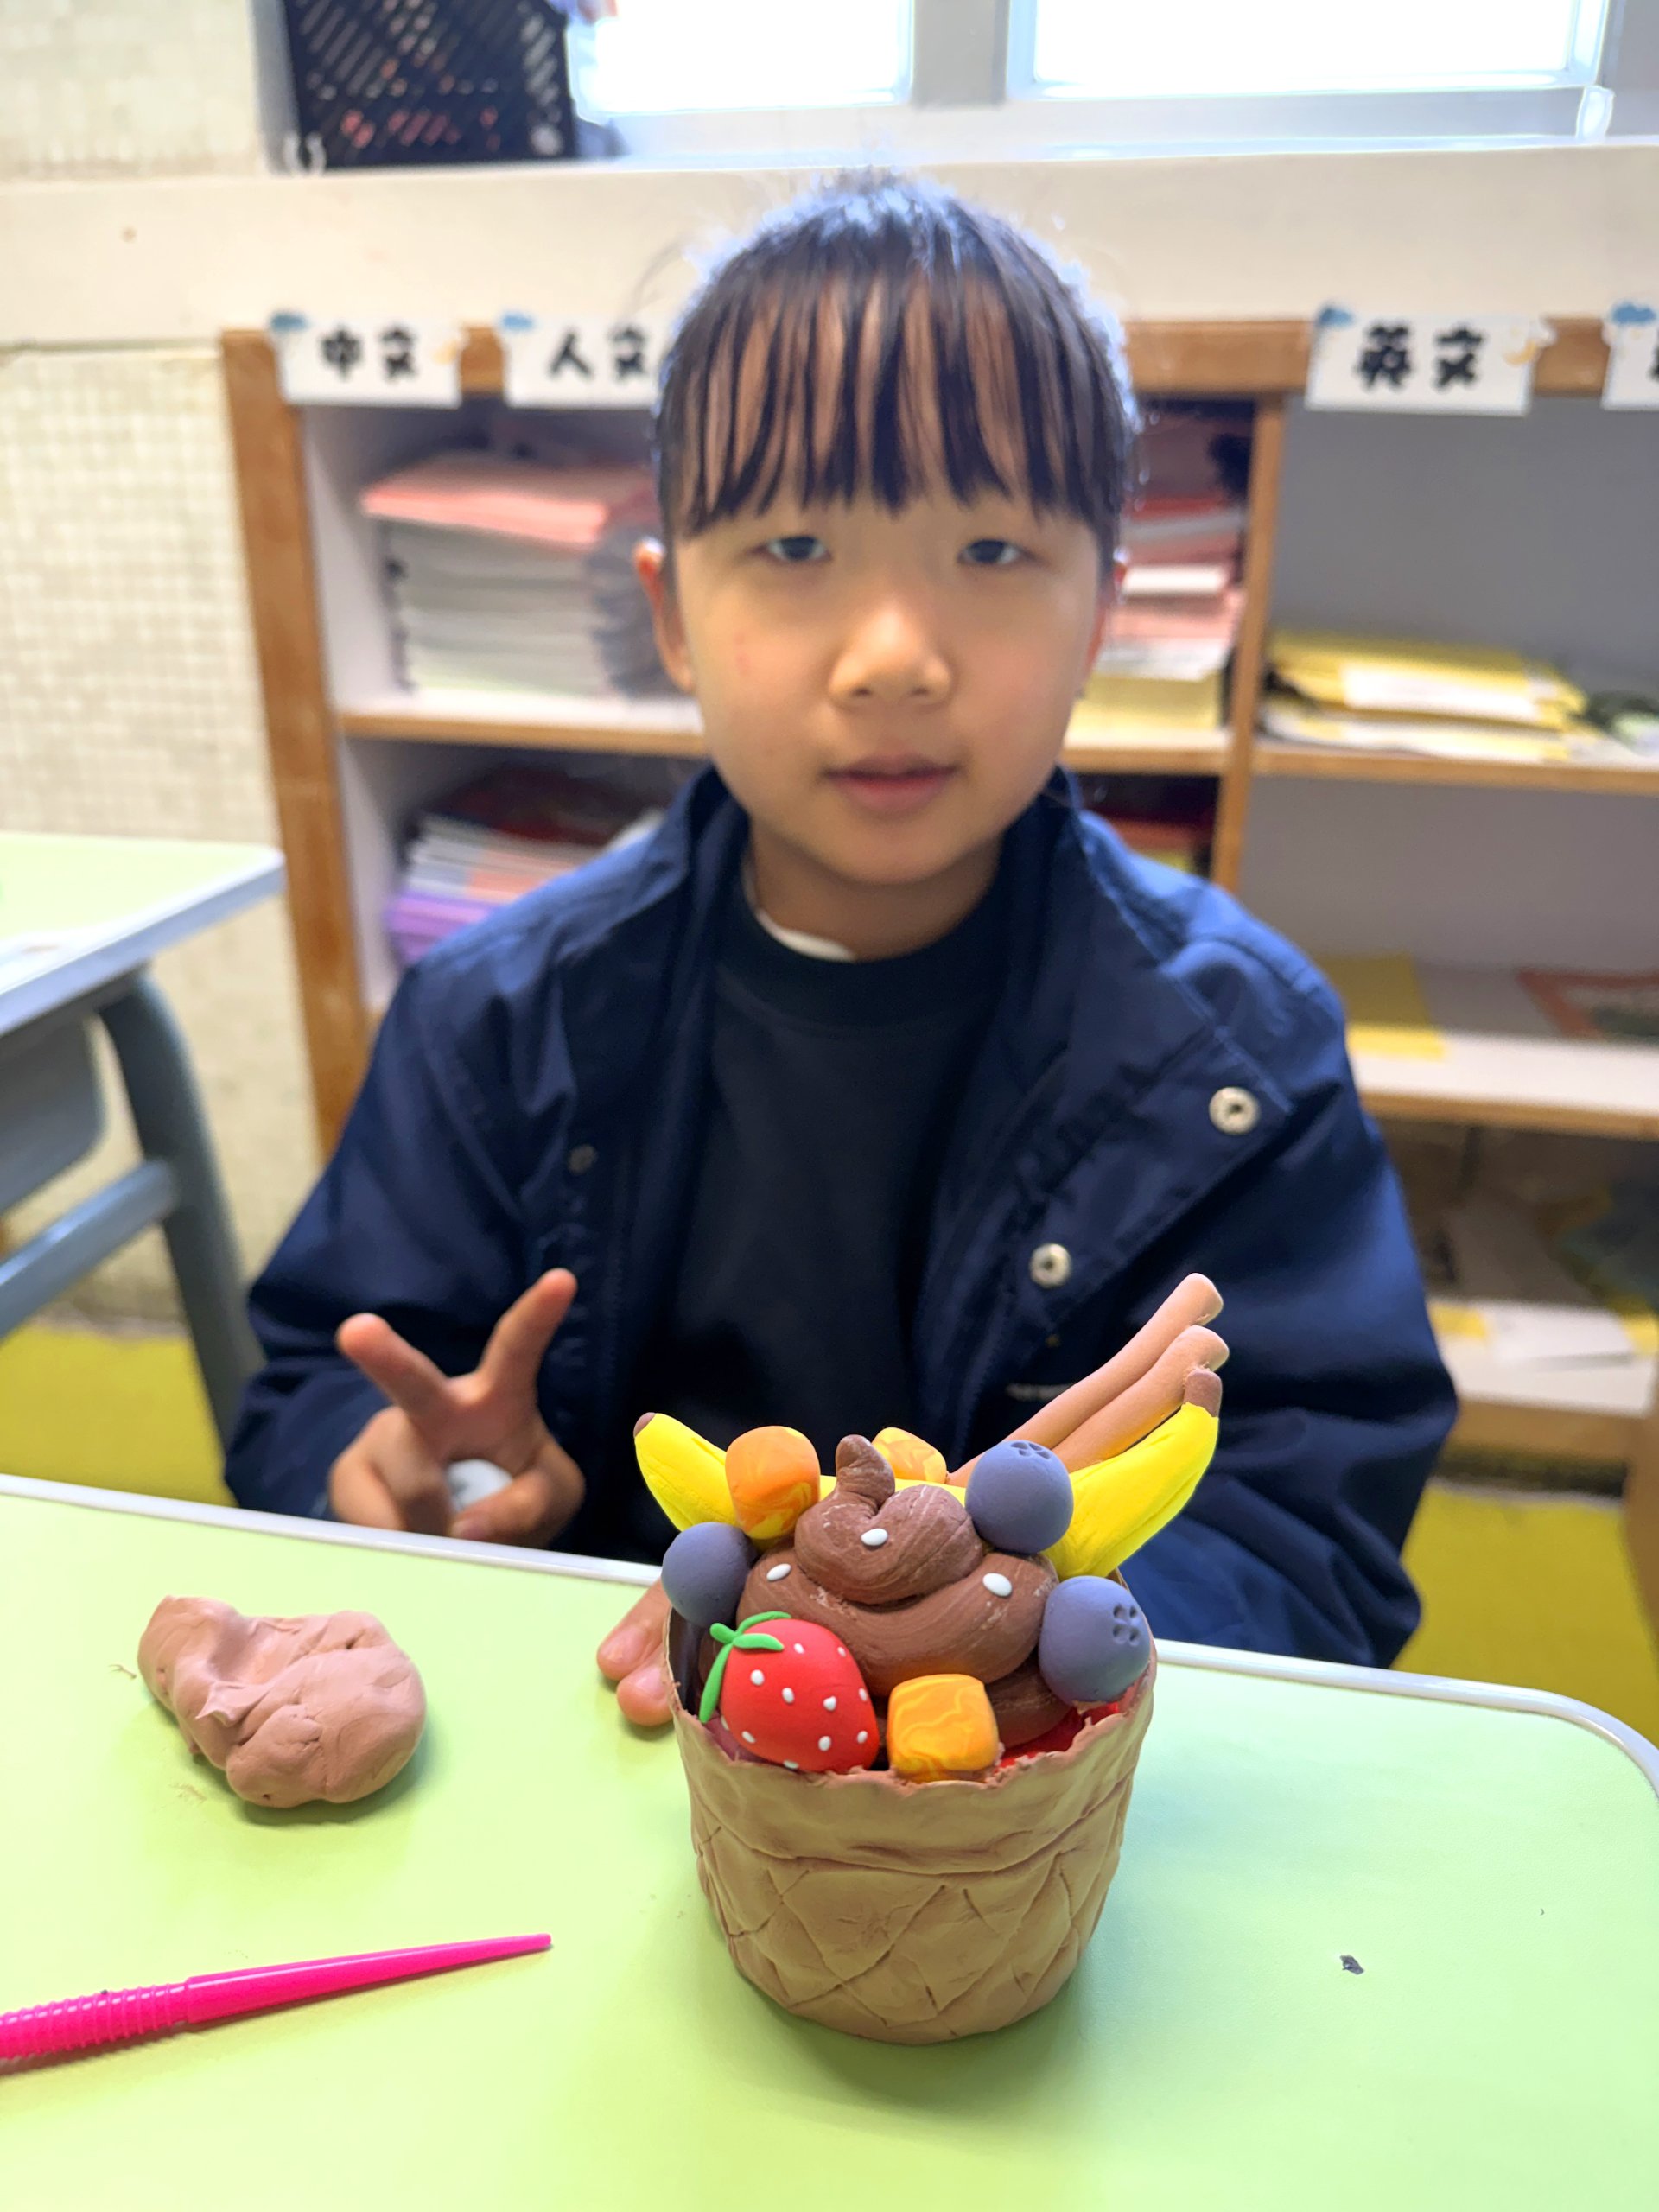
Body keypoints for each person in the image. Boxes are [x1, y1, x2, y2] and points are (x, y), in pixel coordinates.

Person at [226, 174, 1455, 1724]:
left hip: (1017, 1779)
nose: (892, 659)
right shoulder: (498, 1013)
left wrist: (1019, 1647)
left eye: (992, 551)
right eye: (797, 545)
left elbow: (1306, 1521)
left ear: (1101, 615)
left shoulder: (1236, 1055)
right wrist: (406, 1483)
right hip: (612, 1734)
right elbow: (314, 1391)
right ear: (673, 617)